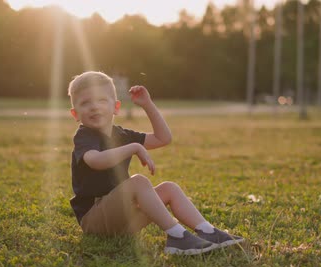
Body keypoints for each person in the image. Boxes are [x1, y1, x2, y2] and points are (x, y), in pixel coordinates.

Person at [68, 71, 244, 255]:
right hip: (94, 220)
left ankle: (208, 231)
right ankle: (177, 237)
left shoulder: (122, 135)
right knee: (138, 182)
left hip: (123, 221)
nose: (94, 107)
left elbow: (163, 138)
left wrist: (147, 105)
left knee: (169, 188)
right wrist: (133, 148)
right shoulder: (85, 136)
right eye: (85, 103)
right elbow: (95, 160)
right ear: (75, 114)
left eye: (101, 100)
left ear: (116, 107)